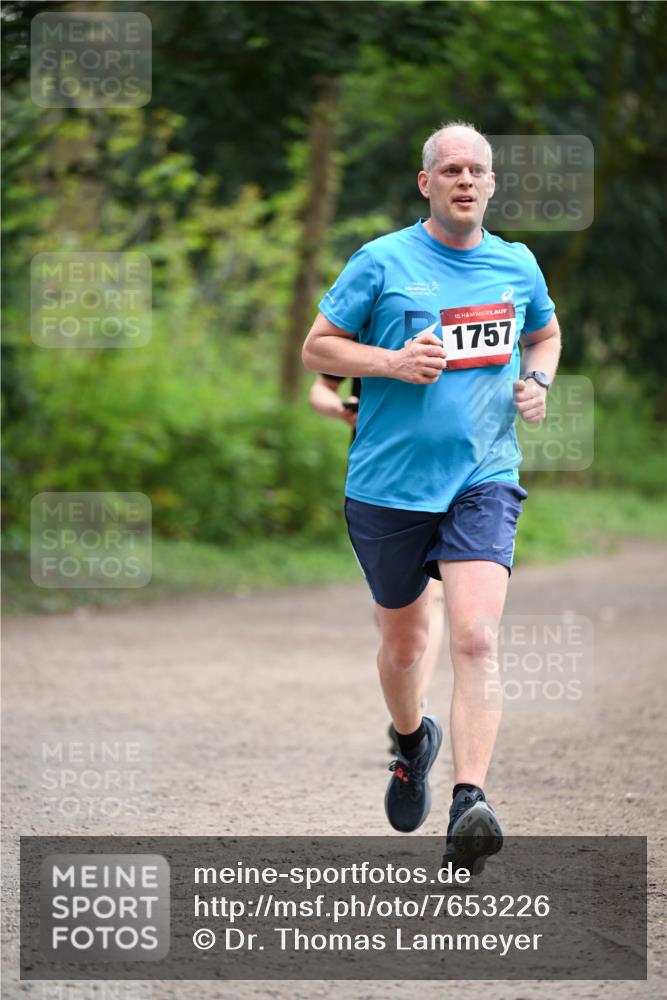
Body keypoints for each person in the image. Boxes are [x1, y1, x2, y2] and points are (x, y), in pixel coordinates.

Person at [302, 122, 561, 872]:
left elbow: (543, 335)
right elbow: (318, 349)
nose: (464, 179)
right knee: (406, 644)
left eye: (476, 170)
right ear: (427, 183)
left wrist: (536, 381)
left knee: (476, 637)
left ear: (489, 185)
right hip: (386, 487)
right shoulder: (381, 260)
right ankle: (412, 742)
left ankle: (467, 804)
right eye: (449, 168)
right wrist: (388, 361)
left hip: (482, 476)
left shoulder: (516, 265)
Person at [308, 373, 447, 753]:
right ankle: (407, 700)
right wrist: (341, 410)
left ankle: (413, 707)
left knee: (431, 596)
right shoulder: (362, 324)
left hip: (444, 472)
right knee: (389, 611)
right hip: (379, 483)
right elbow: (319, 390)